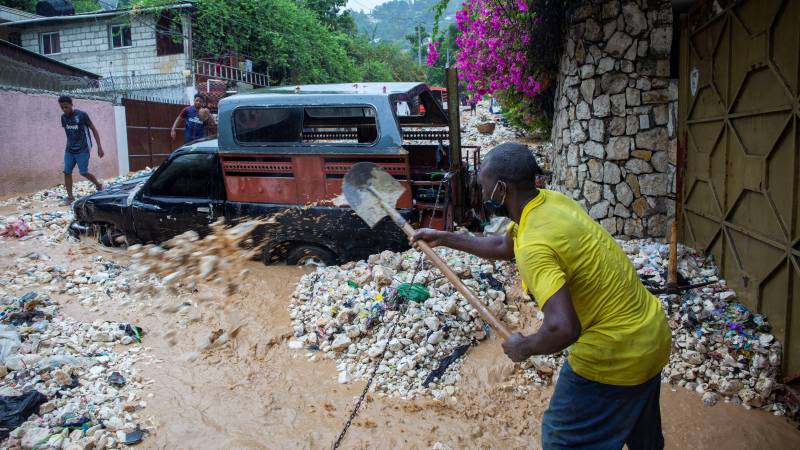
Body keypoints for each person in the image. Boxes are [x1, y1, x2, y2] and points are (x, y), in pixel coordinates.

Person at [411, 143, 671, 449]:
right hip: (652, 335)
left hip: (615, 352)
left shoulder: (535, 245)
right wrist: (444, 238)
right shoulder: (549, 203)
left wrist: (526, 347)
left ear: (502, 189)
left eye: (484, 184)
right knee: (642, 436)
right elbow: (502, 247)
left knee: (562, 439)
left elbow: (563, 328)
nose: (481, 191)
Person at [58, 96, 104, 205]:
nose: (64, 109)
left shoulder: (82, 115)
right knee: (66, 172)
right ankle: (70, 198)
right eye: (62, 107)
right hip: (69, 149)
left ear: (71, 105)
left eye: (66, 107)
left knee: (83, 172)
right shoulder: (63, 118)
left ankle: (98, 185)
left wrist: (99, 147)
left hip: (83, 148)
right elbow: (69, 134)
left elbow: (94, 129)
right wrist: (70, 146)